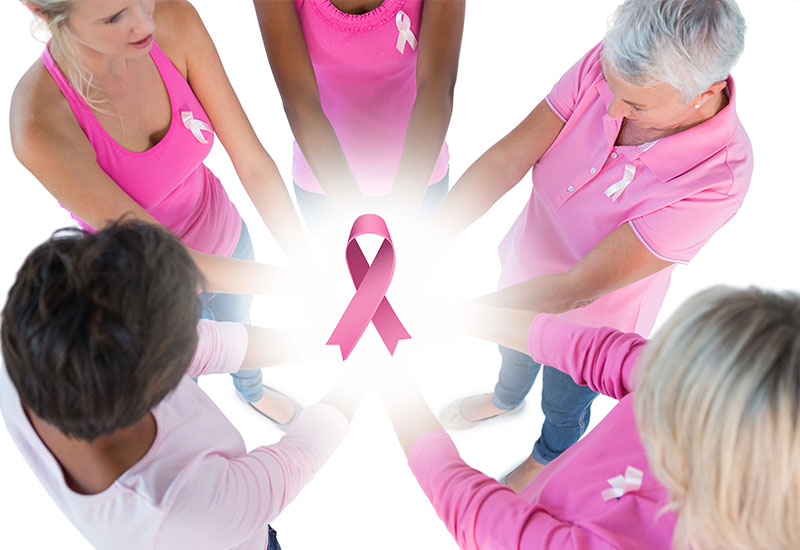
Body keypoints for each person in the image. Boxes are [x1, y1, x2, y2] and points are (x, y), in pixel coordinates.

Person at [429, 0, 752, 491]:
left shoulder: (719, 178)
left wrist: (452, 317)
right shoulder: (617, 66)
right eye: (613, 88)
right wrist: (426, 240)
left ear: (704, 93)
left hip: (592, 323)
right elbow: (508, 159)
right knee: (511, 354)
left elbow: (577, 288)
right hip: (521, 271)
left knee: (565, 404)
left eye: (636, 106)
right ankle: (505, 399)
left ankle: (547, 456)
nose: (613, 107)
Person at [11, 0, 310, 425]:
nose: (145, 21)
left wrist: (307, 260)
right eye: (115, 16)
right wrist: (301, 286)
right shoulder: (38, 124)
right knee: (185, 393)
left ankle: (252, 391)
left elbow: (253, 163)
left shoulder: (174, 19)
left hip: (228, 242)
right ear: (42, 13)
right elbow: (169, 259)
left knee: (243, 328)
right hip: (153, 291)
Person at [0, 220, 365, 550]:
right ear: (159, 387)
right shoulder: (188, 513)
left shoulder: (27, 344)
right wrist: (367, 368)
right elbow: (301, 453)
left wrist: (330, 342)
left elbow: (213, 345)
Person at [384, 286, 800, 549]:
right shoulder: (707, 374)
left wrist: (388, 378)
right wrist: (459, 314)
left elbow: (478, 514)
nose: (655, 371)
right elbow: (596, 352)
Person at [253, 0, 465, 236]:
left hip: (421, 183)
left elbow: (436, 86)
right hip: (325, 190)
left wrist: (401, 216)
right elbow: (301, 103)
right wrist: (362, 228)